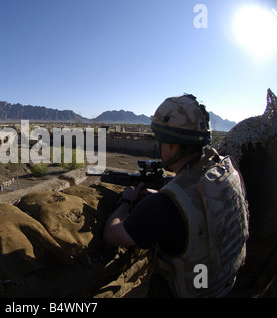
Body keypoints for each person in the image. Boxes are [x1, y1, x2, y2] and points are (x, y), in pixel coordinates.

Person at [103, 94, 249, 298]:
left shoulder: (164, 205)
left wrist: (126, 200)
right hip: (222, 283)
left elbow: (113, 235)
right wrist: (164, 197)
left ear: (171, 145)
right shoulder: (224, 170)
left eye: (160, 141)